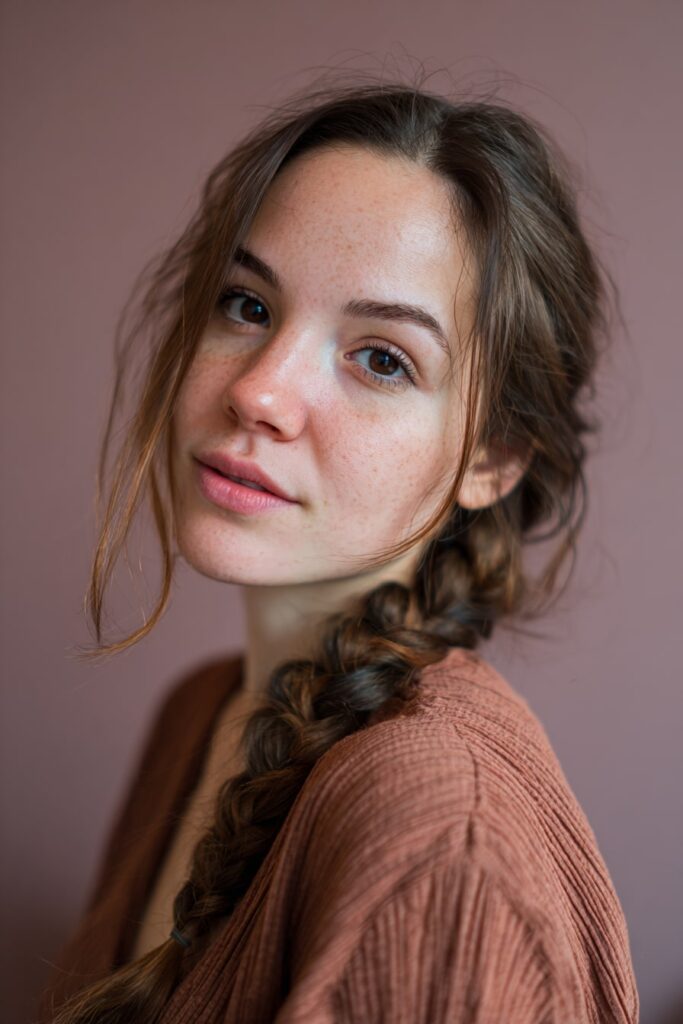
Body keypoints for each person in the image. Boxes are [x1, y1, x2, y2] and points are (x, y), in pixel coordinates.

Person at [38, 74, 639, 1023]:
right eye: (246, 305)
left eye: (381, 358)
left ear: (493, 458)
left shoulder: (444, 855)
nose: (260, 392)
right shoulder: (198, 715)